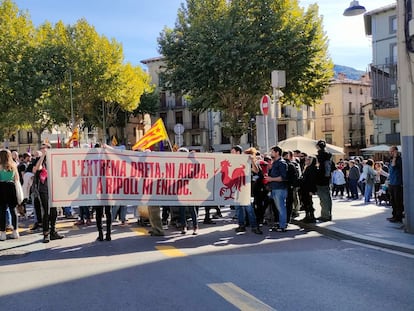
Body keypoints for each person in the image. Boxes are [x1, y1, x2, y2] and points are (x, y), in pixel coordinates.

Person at [33, 143, 64, 243]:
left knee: (54, 211)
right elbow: (37, 169)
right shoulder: (39, 160)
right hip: (44, 189)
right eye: (41, 148)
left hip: (54, 188)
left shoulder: (54, 160)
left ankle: (53, 231)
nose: (43, 149)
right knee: (46, 211)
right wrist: (42, 156)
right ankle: (46, 234)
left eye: (45, 148)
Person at [265, 145, 288, 232]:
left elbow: (283, 177)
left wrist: (271, 179)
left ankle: (282, 226)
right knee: (279, 208)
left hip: (280, 189)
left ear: (277, 152)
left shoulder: (281, 163)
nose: (271, 153)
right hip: (275, 188)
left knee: (281, 208)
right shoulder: (275, 162)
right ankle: (281, 224)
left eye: (272, 152)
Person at [0, 149, 20, 241]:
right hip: (11, 187)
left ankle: (3, 233)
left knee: (2, 211)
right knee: (13, 210)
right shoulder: (14, 165)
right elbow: (17, 178)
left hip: (1, 187)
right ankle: (15, 231)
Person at [315, 140, 333, 222]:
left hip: (320, 180)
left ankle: (325, 215)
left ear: (318, 146)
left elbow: (318, 169)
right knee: (328, 198)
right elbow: (333, 167)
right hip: (327, 179)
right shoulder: (329, 156)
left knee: (323, 198)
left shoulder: (319, 156)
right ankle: (328, 214)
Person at [387, 146, 404, 223]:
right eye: (390, 151)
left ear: (395, 151)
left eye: (391, 151)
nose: (390, 153)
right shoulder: (391, 160)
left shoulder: (399, 159)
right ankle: (394, 215)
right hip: (392, 183)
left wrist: (395, 157)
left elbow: (394, 165)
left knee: (398, 201)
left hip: (397, 183)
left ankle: (398, 217)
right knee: (393, 201)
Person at [299, 156, 318, 223]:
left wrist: (311, 190)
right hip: (305, 188)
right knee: (307, 202)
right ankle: (308, 216)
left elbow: (312, 180)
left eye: (308, 160)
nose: (306, 161)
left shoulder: (311, 168)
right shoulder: (308, 168)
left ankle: (310, 216)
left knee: (308, 202)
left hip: (308, 188)